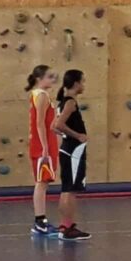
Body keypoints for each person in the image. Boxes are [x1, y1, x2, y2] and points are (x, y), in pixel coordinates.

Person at [52, 69, 91, 241]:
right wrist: (77, 135)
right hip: (74, 150)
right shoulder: (70, 103)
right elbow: (58, 125)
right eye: (82, 81)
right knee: (71, 190)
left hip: (67, 149)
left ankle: (64, 225)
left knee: (66, 189)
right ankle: (68, 227)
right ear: (76, 83)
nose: (84, 85)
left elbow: (54, 126)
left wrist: (66, 135)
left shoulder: (62, 102)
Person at [26, 65, 60, 236]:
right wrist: (45, 146)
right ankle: (40, 221)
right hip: (42, 145)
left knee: (43, 182)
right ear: (39, 79)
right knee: (41, 182)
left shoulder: (38, 95)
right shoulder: (41, 96)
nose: (52, 80)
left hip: (44, 142)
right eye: (49, 77)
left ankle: (41, 221)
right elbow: (39, 123)